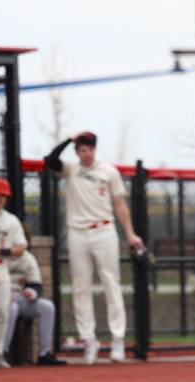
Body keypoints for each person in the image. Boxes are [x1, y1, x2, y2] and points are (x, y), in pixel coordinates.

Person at [46, 131, 143, 364]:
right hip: (78, 232)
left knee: (111, 282)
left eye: (89, 149)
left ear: (95, 149)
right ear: (77, 151)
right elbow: (49, 161)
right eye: (81, 149)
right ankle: (89, 340)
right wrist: (69, 139)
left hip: (104, 230)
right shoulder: (70, 169)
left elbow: (120, 205)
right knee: (81, 286)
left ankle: (118, 339)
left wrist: (130, 233)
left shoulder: (109, 172)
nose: (86, 153)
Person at [3, 225, 65, 366]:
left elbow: (36, 285)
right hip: (0, 299)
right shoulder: (0, 255)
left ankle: (44, 353)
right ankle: (3, 352)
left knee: (47, 307)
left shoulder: (28, 258)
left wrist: (30, 292)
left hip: (20, 298)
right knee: (11, 308)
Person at [0, 178, 28, 368]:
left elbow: (20, 247)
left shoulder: (11, 220)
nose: (0, 199)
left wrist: (1, 251)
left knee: (2, 311)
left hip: (1, 266)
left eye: (3, 196)